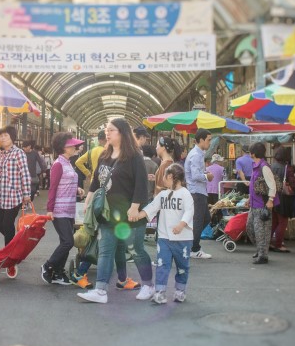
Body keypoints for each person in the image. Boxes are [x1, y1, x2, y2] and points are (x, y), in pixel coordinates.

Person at [77, 118, 151, 304]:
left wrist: (135, 208)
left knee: (136, 251)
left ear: (122, 133)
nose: (107, 133)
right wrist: (88, 200)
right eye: (106, 130)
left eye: (111, 130)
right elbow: (96, 181)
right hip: (108, 214)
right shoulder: (104, 155)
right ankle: (101, 291)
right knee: (105, 251)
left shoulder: (134, 156)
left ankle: (148, 285)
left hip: (129, 215)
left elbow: (142, 184)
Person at [131, 163, 193, 304]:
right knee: (161, 264)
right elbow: (151, 208)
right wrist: (138, 215)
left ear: (170, 176)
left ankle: (180, 291)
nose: (162, 179)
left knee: (183, 266)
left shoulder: (185, 194)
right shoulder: (162, 195)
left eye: (164, 176)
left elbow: (189, 211)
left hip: (183, 238)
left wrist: (181, 224)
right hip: (164, 237)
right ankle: (160, 292)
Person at [41, 133, 85, 285]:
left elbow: (66, 184)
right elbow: (53, 188)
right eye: (72, 145)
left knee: (65, 241)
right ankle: (48, 266)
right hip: (59, 209)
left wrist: (77, 189)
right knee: (68, 241)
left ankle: (58, 273)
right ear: (64, 148)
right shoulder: (58, 164)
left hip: (69, 208)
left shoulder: (68, 163)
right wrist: (50, 209)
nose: (75, 147)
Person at [0, 127, 30, 246]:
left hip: (13, 195)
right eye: (1, 136)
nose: (3, 138)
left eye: (6, 135)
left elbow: (25, 173)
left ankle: (9, 254)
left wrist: (26, 194)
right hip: (1, 195)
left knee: (7, 224)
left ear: (12, 137)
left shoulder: (18, 153)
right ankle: (16, 245)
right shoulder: (1, 155)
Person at [184, 129, 214, 259]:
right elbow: (196, 175)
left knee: (205, 218)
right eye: (208, 140)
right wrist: (207, 176)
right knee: (199, 220)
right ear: (201, 140)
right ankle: (194, 248)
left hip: (198, 191)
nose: (210, 142)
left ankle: (191, 244)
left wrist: (206, 173)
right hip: (196, 191)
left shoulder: (198, 153)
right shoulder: (196, 154)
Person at [246, 142, 277, 265]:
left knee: (261, 231)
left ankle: (263, 255)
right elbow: (254, 185)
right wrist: (249, 198)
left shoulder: (264, 167)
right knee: (250, 229)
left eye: (250, 152)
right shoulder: (256, 166)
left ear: (253, 153)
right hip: (254, 204)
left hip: (263, 204)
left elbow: (272, 185)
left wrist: (270, 200)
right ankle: (260, 250)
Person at [270, 147, 295, 254]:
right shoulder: (287, 168)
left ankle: (268, 242)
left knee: (274, 222)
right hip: (283, 198)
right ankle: (278, 245)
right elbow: (293, 183)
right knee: (282, 222)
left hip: (272, 196)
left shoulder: (271, 166)